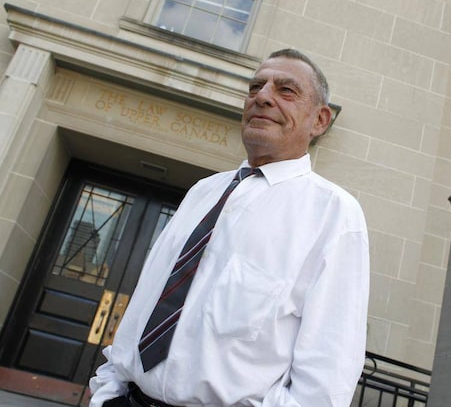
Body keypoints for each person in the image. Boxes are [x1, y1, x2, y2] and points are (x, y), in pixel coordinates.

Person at [89, 48, 370, 407]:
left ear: (320, 120)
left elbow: (327, 377)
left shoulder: (334, 214)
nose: (262, 97)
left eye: (286, 90)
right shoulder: (202, 192)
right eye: (255, 87)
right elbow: (148, 299)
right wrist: (108, 389)